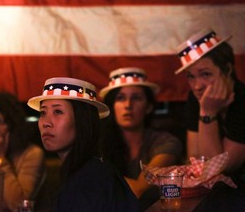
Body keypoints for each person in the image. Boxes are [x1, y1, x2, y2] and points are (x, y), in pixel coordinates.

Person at [27, 77, 140, 212]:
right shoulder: (86, 170)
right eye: (43, 113)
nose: (46, 122)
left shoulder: (90, 180)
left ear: (82, 120)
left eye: (58, 112)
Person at [98, 67, 183, 210]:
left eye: (136, 98)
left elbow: (139, 189)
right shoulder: (98, 143)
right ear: (112, 107)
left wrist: (100, 176)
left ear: (149, 107)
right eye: (120, 98)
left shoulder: (165, 141)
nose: (128, 105)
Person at [174, 28, 245, 187]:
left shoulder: (242, 100)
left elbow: (218, 170)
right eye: (191, 76)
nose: (197, 86)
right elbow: (195, 160)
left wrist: (208, 112)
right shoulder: (195, 98)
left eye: (205, 74)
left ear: (227, 69)